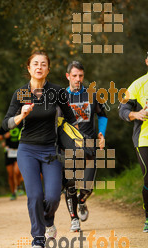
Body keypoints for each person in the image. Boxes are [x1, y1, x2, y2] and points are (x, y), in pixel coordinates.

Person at [2, 51, 77, 248]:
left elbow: (71, 118)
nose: (39, 67)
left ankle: (48, 220)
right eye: (35, 63)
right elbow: (6, 124)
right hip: (27, 150)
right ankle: (38, 236)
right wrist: (21, 116)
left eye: (43, 64)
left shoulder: (58, 92)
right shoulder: (20, 94)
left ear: (48, 69)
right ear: (29, 68)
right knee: (34, 195)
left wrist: (77, 138)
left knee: (52, 197)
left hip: (51, 150)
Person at [65, 61, 108, 232]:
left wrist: (101, 134)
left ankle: (81, 202)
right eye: (74, 76)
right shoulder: (62, 97)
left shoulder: (92, 94)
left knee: (87, 187)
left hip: (90, 144)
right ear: (68, 76)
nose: (78, 79)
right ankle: (74, 219)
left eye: (80, 76)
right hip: (69, 145)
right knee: (70, 184)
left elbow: (102, 115)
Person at [119, 53, 148, 233]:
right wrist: (136, 114)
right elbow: (122, 108)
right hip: (144, 139)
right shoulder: (138, 84)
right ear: (146, 61)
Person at [0, 125, 24, 200]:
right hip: (9, 152)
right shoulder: (6, 124)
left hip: (19, 151)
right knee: (10, 174)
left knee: (17, 171)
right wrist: (4, 136)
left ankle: (18, 186)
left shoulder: (21, 123)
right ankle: (13, 193)